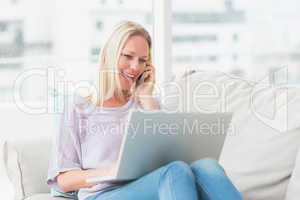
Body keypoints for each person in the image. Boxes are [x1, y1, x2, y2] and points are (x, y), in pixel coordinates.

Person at [47, 21, 242, 200]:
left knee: (207, 166)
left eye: (142, 60)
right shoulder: (77, 107)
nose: (135, 67)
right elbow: (64, 181)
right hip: (103, 194)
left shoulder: (146, 102)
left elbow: (167, 155)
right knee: (175, 171)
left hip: (150, 185)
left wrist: (147, 97)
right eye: (128, 56)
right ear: (109, 55)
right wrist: (111, 171)